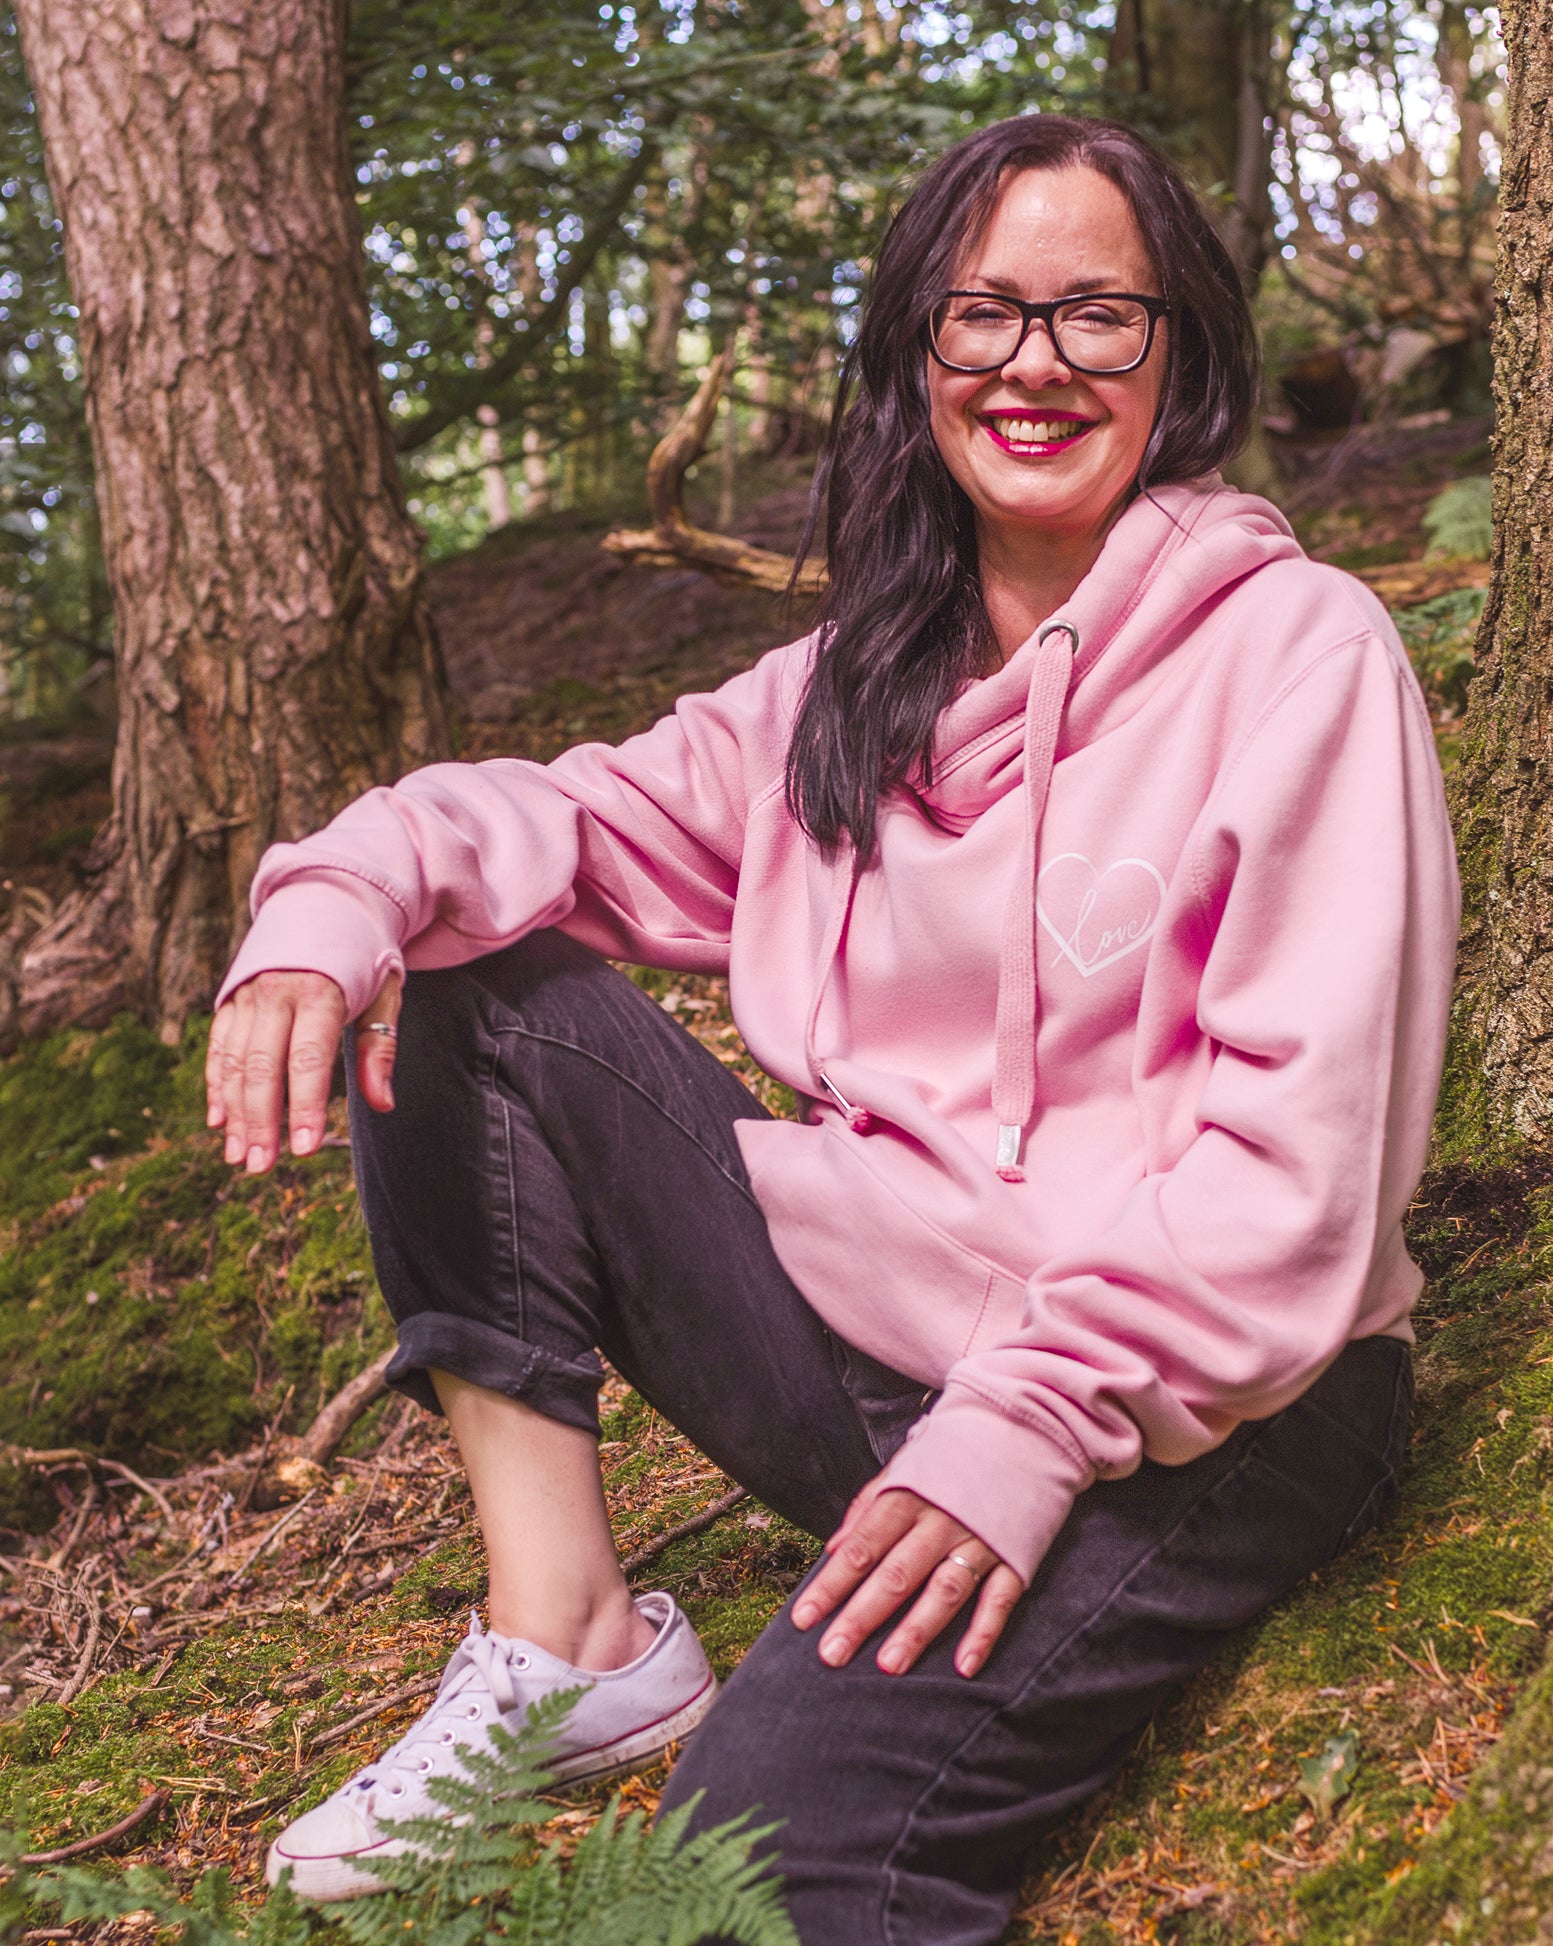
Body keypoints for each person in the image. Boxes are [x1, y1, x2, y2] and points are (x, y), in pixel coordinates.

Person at [205, 112, 1459, 1942]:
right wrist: (324, 912)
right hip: (890, 1356)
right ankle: (565, 1638)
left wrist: (1019, 1432)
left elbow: (1289, 1178)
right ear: (915, 357)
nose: (1035, 364)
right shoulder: (850, 682)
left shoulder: (1300, 659)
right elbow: (543, 822)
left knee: (761, 1863)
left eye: (1098, 314)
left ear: (1177, 351)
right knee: (471, 962)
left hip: (1206, 1398)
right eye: (984, 316)